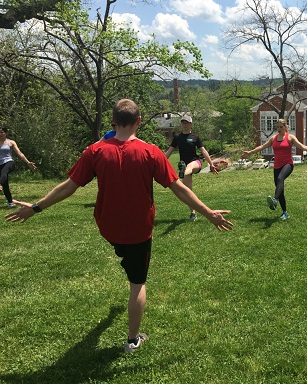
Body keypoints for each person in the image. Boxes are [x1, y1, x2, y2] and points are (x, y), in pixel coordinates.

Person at [5, 99, 233, 352]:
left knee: (126, 258)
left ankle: (124, 260)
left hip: (109, 227)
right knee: (138, 284)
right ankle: (133, 340)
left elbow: (68, 187)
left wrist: (35, 208)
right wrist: (209, 213)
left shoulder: (94, 151)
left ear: (113, 122)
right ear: (138, 122)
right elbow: (179, 188)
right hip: (138, 230)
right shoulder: (151, 152)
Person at [241, 118, 307, 220]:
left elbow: (302, 146)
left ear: (286, 127)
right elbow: (262, 147)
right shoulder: (273, 138)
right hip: (277, 165)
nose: (279, 128)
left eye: (281, 127)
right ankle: (285, 212)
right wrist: (250, 152)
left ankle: (275, 200)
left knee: (280, 179)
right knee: (279, 188)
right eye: (277, 127)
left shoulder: (290, 138)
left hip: (288, 164)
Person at [164, 115, 218, 221]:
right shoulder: (177, 137)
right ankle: (193, 213)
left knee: (188, 166)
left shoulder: (195, 137)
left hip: (195, 163)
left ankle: (183, 171)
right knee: (187, 191)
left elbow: (203, 151)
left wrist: (211, 164)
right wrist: (160, 162)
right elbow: (169, 152)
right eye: (183, 123)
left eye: (187, 122)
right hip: (184, 165)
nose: (184, 125)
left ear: (191, 124)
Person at [0, 125, 37, 207]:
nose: (0, 134)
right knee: (5, 183)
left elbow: (19, 153)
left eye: (2, 132)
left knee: (4, 172)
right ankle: (10, 203)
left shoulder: (11, 142)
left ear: (6, 133)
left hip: (9, 162)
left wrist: (28, 162)